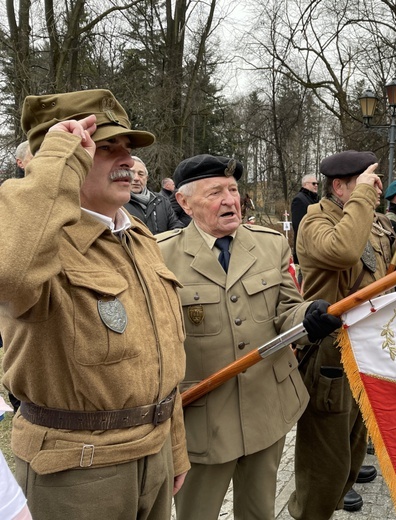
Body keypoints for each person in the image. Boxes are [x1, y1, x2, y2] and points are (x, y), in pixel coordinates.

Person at [0, 89, 190, 520]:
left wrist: (174, 447)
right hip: (78, 471)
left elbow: (163, 353)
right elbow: (7, 276)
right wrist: (53, 161)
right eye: (105, 147)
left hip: (154, 454)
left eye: (127, 147)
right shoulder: (37, 246)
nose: (125, 159)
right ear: (68, 156)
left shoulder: (137, 235)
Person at [156, 154, 341, 520]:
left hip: (266, 407)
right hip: (201, 417)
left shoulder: (270, 244)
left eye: (233, 189)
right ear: (184, 202)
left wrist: (309, 317)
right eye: (215, 192)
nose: (230, 200)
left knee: (259, 512)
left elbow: (286, 310)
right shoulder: (159, 255)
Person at [288, 150, 396, 518]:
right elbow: (342, 251)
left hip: (363, 349)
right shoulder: (314, 222)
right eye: (365, 182)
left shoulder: (367, 220)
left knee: (353, 454)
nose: (375, 188)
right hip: (329, 353)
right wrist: (361, 201)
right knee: (325, 467)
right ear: (339, 187)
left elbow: (380, 273)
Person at [124, 157, 183, 234]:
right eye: (131, 173)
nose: (136, 178)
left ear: (146, 178)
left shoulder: (161, 200)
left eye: (141, 174)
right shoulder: (117, 204)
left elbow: (176, 226)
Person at [291, 174, 320, 269]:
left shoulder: (316, 200)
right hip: (304, 247)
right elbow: (298, 225)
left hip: (316, 245)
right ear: (305, 184)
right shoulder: (299, 199)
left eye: (317, 183)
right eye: (313, 183)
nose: (316, 185)